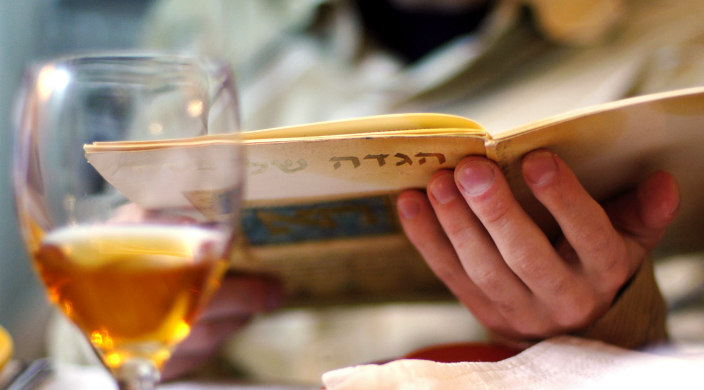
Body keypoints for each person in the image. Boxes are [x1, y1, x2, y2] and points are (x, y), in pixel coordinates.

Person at [51, 0, 704, 383]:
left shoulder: (681, 36)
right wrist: (137, 337)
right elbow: (74, 334)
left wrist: (602, 330)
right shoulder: (210, 22)